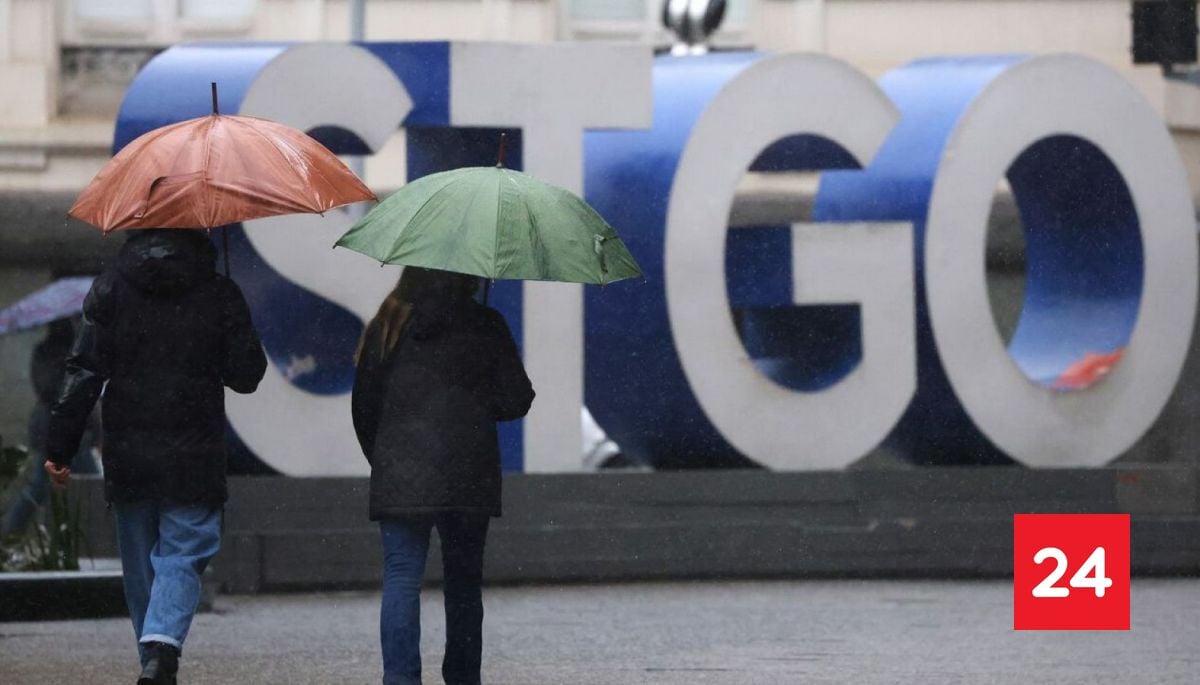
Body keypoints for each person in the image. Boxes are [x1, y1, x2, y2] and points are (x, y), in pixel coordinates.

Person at [44, 229, 266, 685]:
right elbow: (247, 375)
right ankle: (163, 648)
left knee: (141, 566)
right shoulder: (218, 290)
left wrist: (60, 445)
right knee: (184, 552)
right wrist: (227, 323)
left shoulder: (111, 287)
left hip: (129, 448)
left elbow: (84, 368)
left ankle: (154, 659)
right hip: (194, 448)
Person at [352, 267, 534, 685]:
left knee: (401, 577)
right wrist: (478, 395)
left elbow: (364, 405)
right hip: (468, 470)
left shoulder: (387, 322)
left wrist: (383, 458)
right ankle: (463, 676)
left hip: (400, 467)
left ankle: (400, 678)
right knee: (464, 583)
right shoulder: (485, 323)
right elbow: (516, 399)